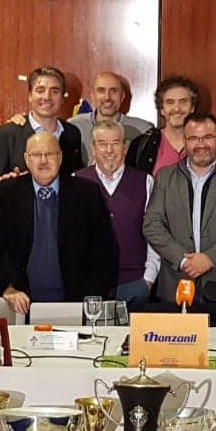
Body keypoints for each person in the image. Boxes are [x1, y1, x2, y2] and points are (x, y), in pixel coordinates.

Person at [143, 112, 216, 324]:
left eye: (207, 137)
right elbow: (152, 225)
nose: (201, 144)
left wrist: (209, 259)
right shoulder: (165, 177)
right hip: (176, 288)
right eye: (194, 138)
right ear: (185, 141)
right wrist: (183, 260)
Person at [0, 132, 118, 317]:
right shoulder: (6, 192)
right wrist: (8, 287)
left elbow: (104, 251)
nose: (43, 160)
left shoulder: (87, 193)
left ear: (60, 157)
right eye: (36, 155)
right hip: (21, 303)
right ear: (26, 159)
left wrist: (90, 300)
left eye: (49, 154)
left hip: (75, 305)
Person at [76, 119, 160, 311]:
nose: (109, 150)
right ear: (93, 147)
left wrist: (148, 279)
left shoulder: (145, 181)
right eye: (102, 143)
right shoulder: (77, 181)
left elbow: (154, 234)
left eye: (115, 143)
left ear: (125, 146)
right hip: (90, 288)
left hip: (135, 284)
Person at [0, 66, 83, 178]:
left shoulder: (72, 133)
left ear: (62, 98)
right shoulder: (6, 134)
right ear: (30, 96)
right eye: (40, 90)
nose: (47, 97)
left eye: (54, 91)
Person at [71, 71, 149, 164]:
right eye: (101, 91)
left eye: (114, 91)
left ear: (122, 96)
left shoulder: (142, 130)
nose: (107, 97)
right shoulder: (73, 127)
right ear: (93, 95)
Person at [126, 76, 198, 176]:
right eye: (170, 102)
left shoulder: (210, 142)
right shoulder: (141, 145)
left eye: (183, 102)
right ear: (162, 109)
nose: (176, 109)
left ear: (192, 107)